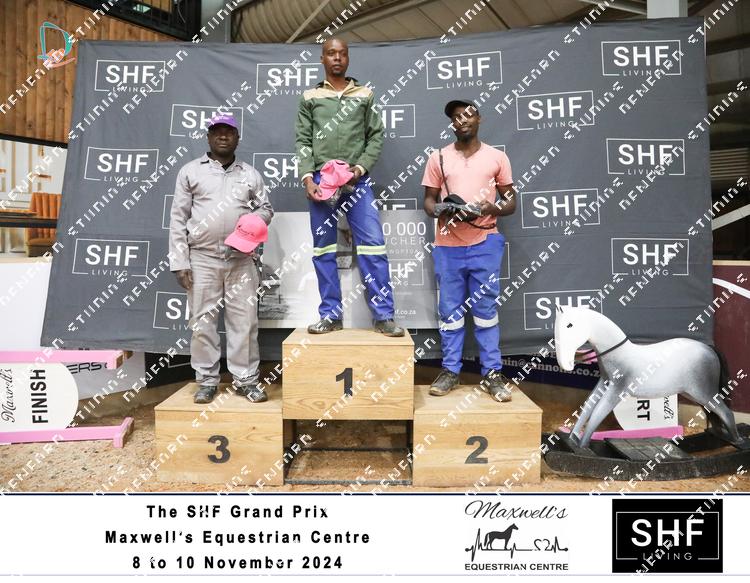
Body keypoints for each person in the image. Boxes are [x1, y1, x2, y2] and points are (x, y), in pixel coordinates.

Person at [295, 37, 404, 337]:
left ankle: (383, 316)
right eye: (331, 53)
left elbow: (376, 136)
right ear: (322, 59)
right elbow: (303, 140)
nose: (337, 58)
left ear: (348, 59)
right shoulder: (310, 96)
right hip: (322, 182)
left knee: (373, 246)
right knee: (324, 250)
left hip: (357, 181)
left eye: (342, 54)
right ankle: (330, 315)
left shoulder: (364, 94)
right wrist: (307, 178)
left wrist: (360, 168)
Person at [169, 113, 273, 404]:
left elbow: (266, 208)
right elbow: (178, 218)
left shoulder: (250, 174)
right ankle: (206, 381)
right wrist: (180, 261)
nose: (223, 136)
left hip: (241, 259)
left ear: (238, 138)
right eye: (217, 131)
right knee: (202, 324)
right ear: (208, 137)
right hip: (201, 259)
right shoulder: (190, 171)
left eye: (229, 131)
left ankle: (246, 380)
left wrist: (252, 222)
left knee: (244, 323)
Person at [421, 100, 516, 401]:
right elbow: (428, 201)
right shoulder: (438, 157)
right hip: (447, 245)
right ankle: (450, 371)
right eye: (455, 117)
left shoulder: (497, 157)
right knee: (450, 312)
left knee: (485, 311)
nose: (461, 120)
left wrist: (490, 207)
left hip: (485, 242)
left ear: (479, 119)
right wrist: (440, 209)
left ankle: (492, 374)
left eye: (467, 115)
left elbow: (511, 202)